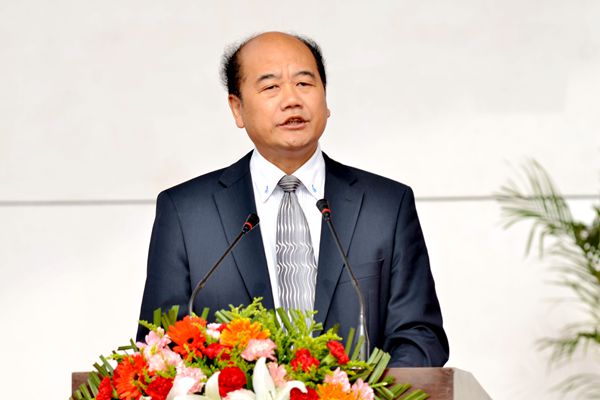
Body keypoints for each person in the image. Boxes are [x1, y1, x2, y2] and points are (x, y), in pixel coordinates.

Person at [137, 32, 449, 367]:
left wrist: (363, 390)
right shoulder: (186, 213)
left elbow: (420, 336)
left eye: (304, 83)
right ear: (237, 108)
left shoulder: (385, 206)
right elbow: (160, 347)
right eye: (271, 86)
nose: (292, 99)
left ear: (325, 100)